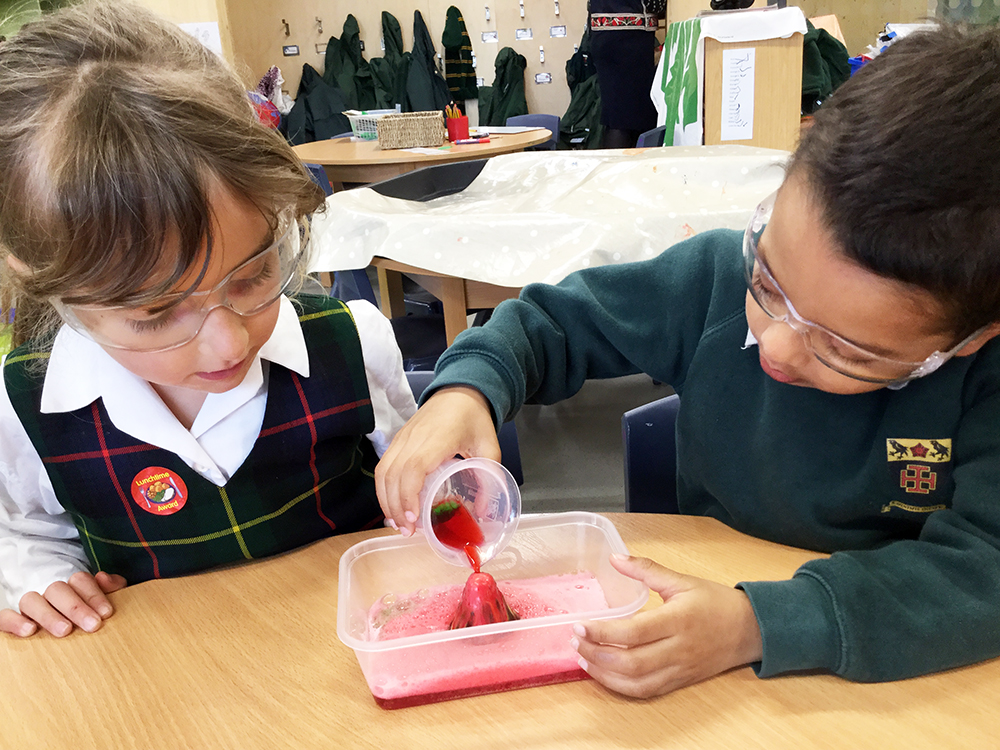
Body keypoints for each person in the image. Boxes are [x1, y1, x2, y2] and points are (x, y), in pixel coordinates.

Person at [376, 23, 1000, 697]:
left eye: (844, 349)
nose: (776, 344)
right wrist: (467, 390)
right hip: (693, 627)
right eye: (768, 282)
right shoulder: (709, 281)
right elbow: (551, 321)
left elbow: (983, 573)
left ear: (970, 340)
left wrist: (760, 623)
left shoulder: (982, 379)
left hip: (871, 662)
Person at [0, 2, 416, 639]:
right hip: (172, 694)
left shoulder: (352, 342)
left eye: (253, 273)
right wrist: (39, 582)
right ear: (40, 281)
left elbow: (421, 485)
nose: (230, 339)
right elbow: (28, 536)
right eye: (156, 314)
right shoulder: (25, 408)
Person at [588, 0, 661, 148]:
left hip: (605, 31)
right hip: (629, 34)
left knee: (617, 116)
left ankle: (616, 168)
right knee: (627, 119)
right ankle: (623, 168)